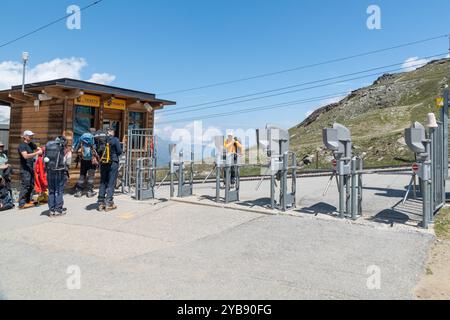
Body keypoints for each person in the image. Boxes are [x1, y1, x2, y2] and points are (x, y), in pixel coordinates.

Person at [44, 136, 71, 217]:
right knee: (59, 190)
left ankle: (51, 210)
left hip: (49, 170)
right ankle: (58, 210)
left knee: (51, 191)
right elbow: (68, 162)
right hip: (60, 171)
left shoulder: (49, 147)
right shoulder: (65, 150)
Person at [96, 128, 122, 212]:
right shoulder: (115, 139)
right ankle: (108, 203)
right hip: (113, 163)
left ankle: (100, 203)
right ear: (111, 132)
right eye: (113, 131)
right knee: (111, 182)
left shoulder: (100, 140)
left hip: (103, 163)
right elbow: (119, 151)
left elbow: (97, 150)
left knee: (103, 182)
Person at [18, 130, 42, 209]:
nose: (31, 137)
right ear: (25, 136)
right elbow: (25, 156)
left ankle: (28, 201)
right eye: (29, 135)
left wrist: (41, 150)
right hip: (25, 169)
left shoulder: (31, 144)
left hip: (31, 168)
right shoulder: (22, 145)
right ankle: (21, 203)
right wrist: (36, 153)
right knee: (25, 185)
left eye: (32, 135)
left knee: (31, 185)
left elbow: (39, 148)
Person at [73, 128, 97, 198]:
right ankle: (89, 192)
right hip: (92, 160)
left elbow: (76, 149)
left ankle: (79, 191)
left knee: (82, 175)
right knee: (91, 176)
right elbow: (96, 149)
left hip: (83, 159)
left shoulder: (82, 138)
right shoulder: (94, 138)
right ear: (94, 133)